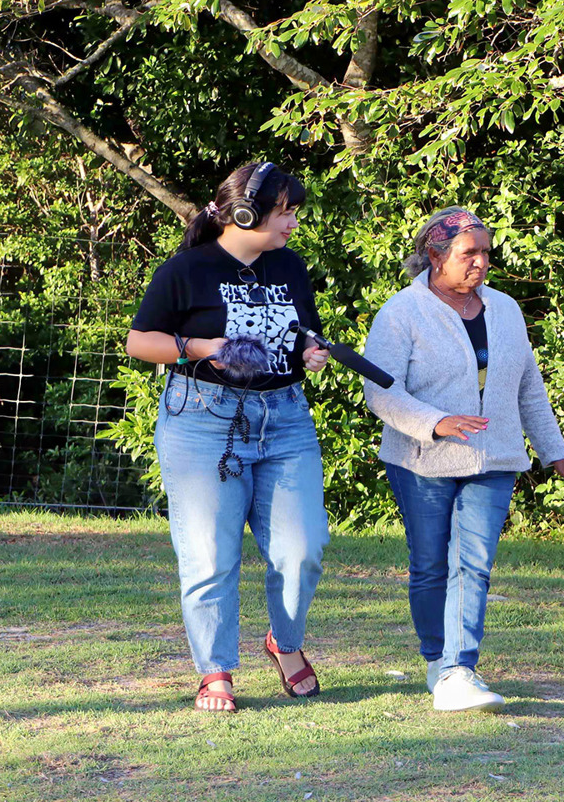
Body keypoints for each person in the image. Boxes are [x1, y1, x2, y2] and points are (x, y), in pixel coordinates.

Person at [362, 206, 564, 713]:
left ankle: (458, 669)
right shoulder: (401, 313)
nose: (480, 263)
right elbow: (380, 392)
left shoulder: (505, 309)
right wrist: (436, 422)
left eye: (485, 253)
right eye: (467, 253)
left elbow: (527, 388)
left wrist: (555, 453)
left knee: (472, 564)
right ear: (435, 257)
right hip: (422, 458)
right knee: (430, 565)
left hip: (494, 457)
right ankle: (438, 660)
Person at [125, 162, 332, 713]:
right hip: (202, 421)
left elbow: (301, 331)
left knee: (303, 547)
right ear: (245, 213)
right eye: (284, 211)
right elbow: (139, 342)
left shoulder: (289, 265)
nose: (291, 223)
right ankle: (215, 671)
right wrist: (200, 347)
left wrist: (311, 354)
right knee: (210, 554)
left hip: (284, 418)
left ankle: (282, 643)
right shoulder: (187, 269)